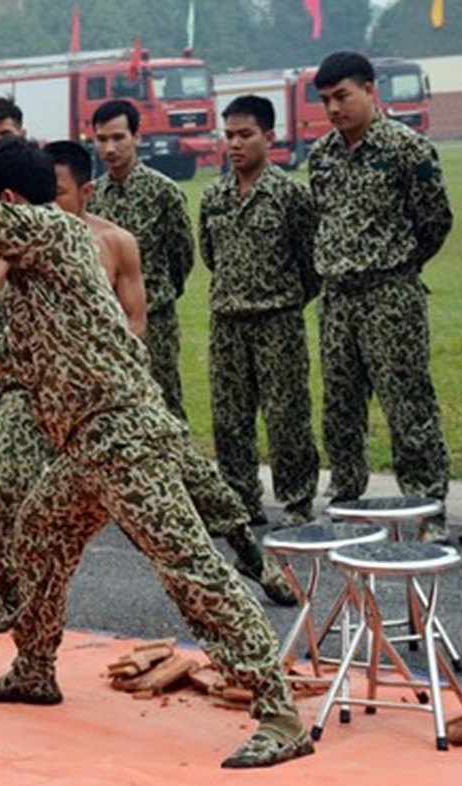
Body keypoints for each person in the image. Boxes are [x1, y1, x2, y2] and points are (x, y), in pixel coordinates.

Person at [0, 137, 312, 769]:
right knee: (39, 536)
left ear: (11, 204)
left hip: (124, 436)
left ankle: (279, 712)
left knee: (192, 574)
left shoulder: (48, 230)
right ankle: (36, 669)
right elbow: (19, 356)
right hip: (86, 443)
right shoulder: (34, 266)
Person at [0, 141, 292, 628]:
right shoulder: (15, 239)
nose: (48, 203)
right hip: (34, 384)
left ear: (84, 192)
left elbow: (135, 322)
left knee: (195, 486)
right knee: (17, 490)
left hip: (108, 397)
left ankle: (253, 560)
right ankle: (11, 597)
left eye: (58, 193)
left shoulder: (109, 241)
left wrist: (89, 357)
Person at [308, 52, 453, 539]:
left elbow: (435, 221)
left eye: (342, 96)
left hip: (390, 294)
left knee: (407, 403)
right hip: (337, 299)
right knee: (340, 407)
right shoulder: (322, 156)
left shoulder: (407, 150)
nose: (333, 109)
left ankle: (426, 508)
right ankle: (347, 502)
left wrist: (399, 266)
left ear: (370, 90)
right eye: (326, 100)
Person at [199, 95, 321, 530]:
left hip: (277, 320)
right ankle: (239, 502)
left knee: (286, 415)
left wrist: (283, 299)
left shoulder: (290, 194)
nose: (234, 144)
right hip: (228, 320)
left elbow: (312, 264)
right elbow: (210, 256)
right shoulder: (214, 196)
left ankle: (296, 501)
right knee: (230, 419)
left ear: (269, 137)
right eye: (228, 135)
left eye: (245, 135)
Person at [87, 99, 194, 422]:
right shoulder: (92, 195)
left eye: (118, 138)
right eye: (102, 139)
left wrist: (157, 296)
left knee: (163, 403)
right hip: (105, 322)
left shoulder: (163, 192)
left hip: (155, 320)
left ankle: (176, 471)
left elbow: (182, 257)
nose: (110, 148)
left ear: (136, 137)